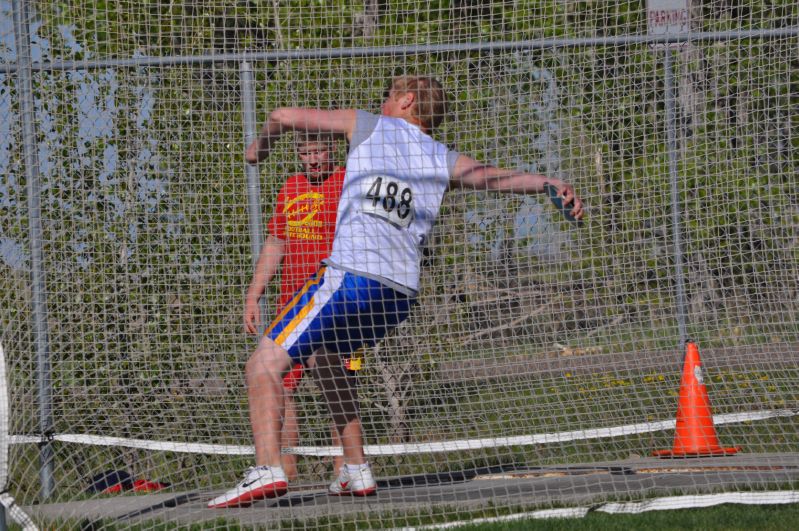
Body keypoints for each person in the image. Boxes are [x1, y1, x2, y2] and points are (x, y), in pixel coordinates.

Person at [208, 75, 584, 508]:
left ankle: (267, 469)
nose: (383, 101)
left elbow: (281, 115)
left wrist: (263, 146)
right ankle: (356, 468)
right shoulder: (442, 157)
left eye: (389, 95)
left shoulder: (369, 125)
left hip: (352, 277)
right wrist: (547, 182)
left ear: (406, 101)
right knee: (326, 359)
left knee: (262, 364)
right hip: (399, 294)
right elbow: (493, 178)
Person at [212, 135, 347, 507]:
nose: (313, 159)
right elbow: (276, 241)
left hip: (334, 302)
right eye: (305, 153)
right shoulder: (290, 187)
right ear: (297, 155)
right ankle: (281, 472)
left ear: (331, 151)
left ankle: (346, 469)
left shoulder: (348, 182)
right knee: (279, 384)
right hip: (292, 307)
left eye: (319, 151)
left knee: (336, 381)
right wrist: (253, 294)